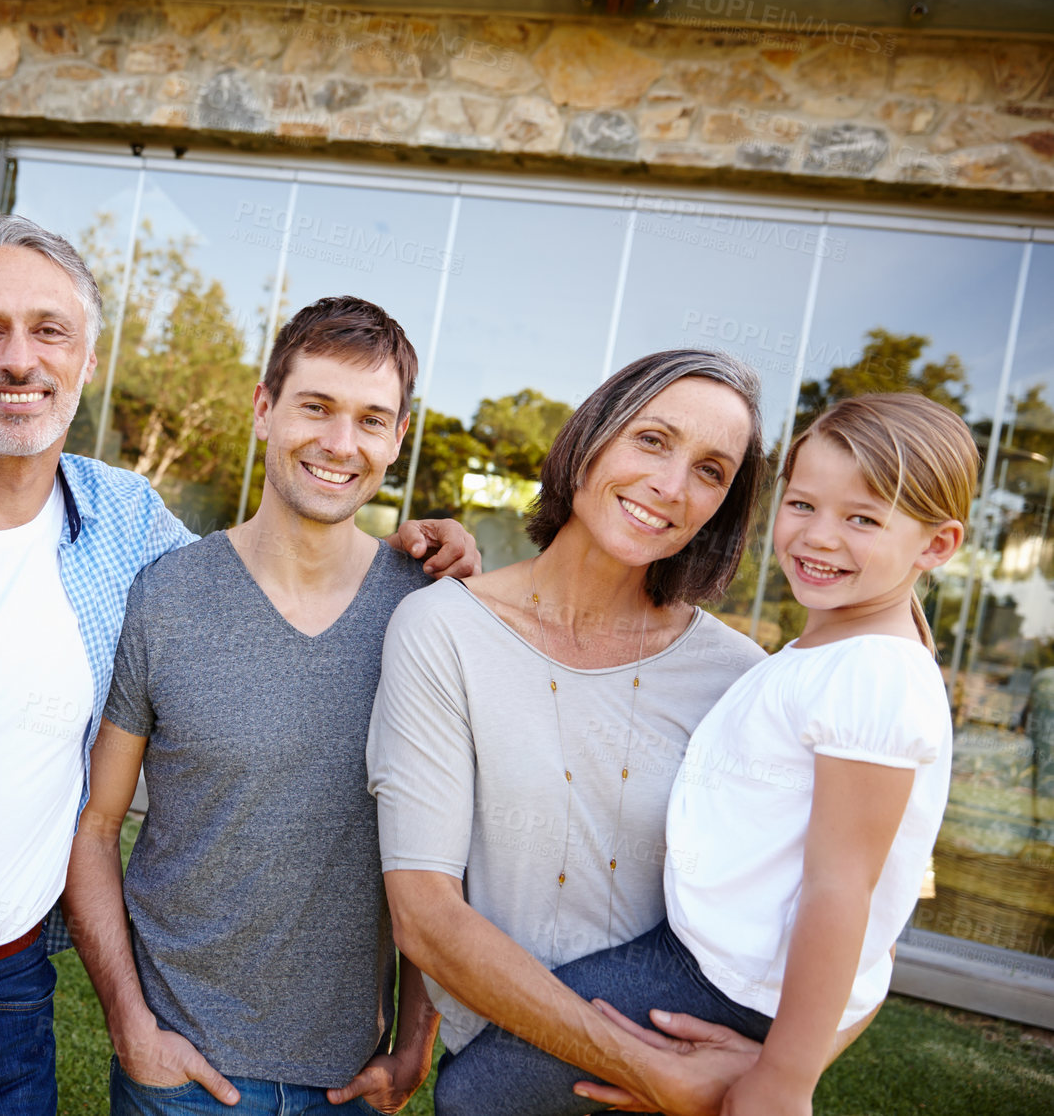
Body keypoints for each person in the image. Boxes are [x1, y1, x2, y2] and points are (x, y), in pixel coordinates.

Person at [0, 216, 477, 1116]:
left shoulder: (126, 525)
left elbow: (262, 584)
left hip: (3, 1000)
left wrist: (436, 554)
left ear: (86, 361)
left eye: (51, 331)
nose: (20, 359)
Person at [431, 392, 974, 1116]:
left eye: (863, 520)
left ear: (936, 546)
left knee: (477, 1096)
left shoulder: (870, 673)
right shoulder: (836, 650)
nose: (819, 537)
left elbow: (844, 889)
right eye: (804, 505)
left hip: (723, 983)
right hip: (696, 956)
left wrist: (783, 1081)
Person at [369, 350, 792, 1116]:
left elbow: (840, 901)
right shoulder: (444, 632)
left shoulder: (739, 679)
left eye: (710, 471)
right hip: (525, 1085)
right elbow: (426, 917)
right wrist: (649, 1073)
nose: (670, 486)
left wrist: (780, 1067)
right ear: (590, 439)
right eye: (653, 440)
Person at [67, 296, 441, 1116]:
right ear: (265, 411)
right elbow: (95, 827)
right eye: (316, 407)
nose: (342, 443)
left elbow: (446, 850)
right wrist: (130, 1024)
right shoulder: (166, 597)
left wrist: (417, 1038)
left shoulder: (429, 614)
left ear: (397, 439)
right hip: (177, 1073)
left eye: (372, 419)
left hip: (347, 1080)